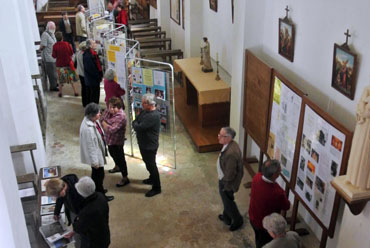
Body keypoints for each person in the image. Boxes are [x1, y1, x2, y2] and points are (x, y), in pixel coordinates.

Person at [249, 159, 290, 248]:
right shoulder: (278, 193)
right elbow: (287, 206)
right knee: (265, 243)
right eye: (279, 171)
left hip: (253, 217)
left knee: (258, 238)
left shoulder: (256, 177)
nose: (280, 172)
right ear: (275, 175)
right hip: (265, 226)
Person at [80, 103, 114, 201]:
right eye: (99, 113)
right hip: (96, 157)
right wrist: (95, 162)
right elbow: (91, 147)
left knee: (98, 175)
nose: (100, 114)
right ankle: (100, 196)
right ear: (92, 115)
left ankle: (99, 190)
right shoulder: (88, 129)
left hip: (98, 152)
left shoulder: (92, 120)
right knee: (98, 176)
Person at [133, 93, 161, 197]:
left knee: (151, 165)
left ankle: (157, 187)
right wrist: (136, 124)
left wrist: (136, 124)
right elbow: (136, 121)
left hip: (149, 145)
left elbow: (138, 126)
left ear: (150, 104)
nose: (142, 104)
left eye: (144, 103)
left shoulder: (153, 116)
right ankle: (151, 178)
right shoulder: (145, 111)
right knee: (147, 162)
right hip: (143, 143)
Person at [44, 175, 85, 248]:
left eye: (57, 196)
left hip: (81, 212)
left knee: (81, 233)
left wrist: (75, 230)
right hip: (73, 209)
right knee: (76, 229)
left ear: (62, 191)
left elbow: (85, 213)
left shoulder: (77, 192)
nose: (57, 198)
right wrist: (56, 212)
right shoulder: (62, 183)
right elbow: (60, 200)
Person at [217, 127, 244, 231]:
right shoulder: (229, 145)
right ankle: (227, 217)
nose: (218, 137)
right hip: (224, 179)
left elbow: (230, 173)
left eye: (221, 135)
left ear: (228, 138)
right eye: (219, 134)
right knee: (226, 200)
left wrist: (225, 184)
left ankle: (237, 220)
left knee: (228, 201)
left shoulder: (231, 153)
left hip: (226, 182)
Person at [74, 176, 110, 248]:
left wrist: (76, 219)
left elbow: (78, 228)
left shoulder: (86, 212)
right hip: (104, 234)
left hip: (93, 242)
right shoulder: (101, 196)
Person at [100, 97, 130, 187]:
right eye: (110, 107)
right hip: (109, 140)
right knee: (112, 154)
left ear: (119, 107)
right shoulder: (108, 110)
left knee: (120, 159)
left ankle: (125, 177)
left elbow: (112, 129)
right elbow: (101, 119)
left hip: (117, 142)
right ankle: (117, 167)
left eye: (114, 107)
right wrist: (106, 123)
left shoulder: (121, 116)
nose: (111, 109)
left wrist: (105, 123)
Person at [345, 85, 370, 190]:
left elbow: (367, 111)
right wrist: (360, 111)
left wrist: (364, 112)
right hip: (362, 127)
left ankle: (361, 182)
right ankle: (351, 177)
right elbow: (359, 104)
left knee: (365, 154)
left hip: (368, 131)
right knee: (357, 150)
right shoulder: (367, 88)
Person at [52, 31, 79, 98]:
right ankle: (75, 92)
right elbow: (71, 53)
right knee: (71, 79)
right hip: (68, 63)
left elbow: (54, 56)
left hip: (60, 65)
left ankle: (60, 92)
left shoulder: (55, 46)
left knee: (61, 79)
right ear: (62, 37)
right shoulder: (67, 44)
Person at [83, 39, 103, 105]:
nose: (95, 44)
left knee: (96, 94)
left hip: (94, 79)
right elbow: (91, 69)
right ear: (90, 45)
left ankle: (95, 108)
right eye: (94, 43)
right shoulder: (88, 56)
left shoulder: (92, 53)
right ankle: (94, 109)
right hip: (92, 80)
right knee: (94, 95)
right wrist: (98, 76)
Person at [40, 21, 58, 91]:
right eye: (52, 27)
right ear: (48, 27)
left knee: (55, 72)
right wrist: (40, 49)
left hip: (54, 56)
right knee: (51, 73)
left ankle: (55, 84)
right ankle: (53, 87)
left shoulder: (52, 34)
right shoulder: (45, 34)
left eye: (54, 27)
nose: (53, 28)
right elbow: (43, 45)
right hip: (48, 57)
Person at [75, 41, 89, 107]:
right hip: (84, 75)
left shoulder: (78, 53)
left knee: (83, 89)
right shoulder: (84, 55)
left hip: (80, 73)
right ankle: (87, 103)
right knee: (87, 89)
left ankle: (84, 103)